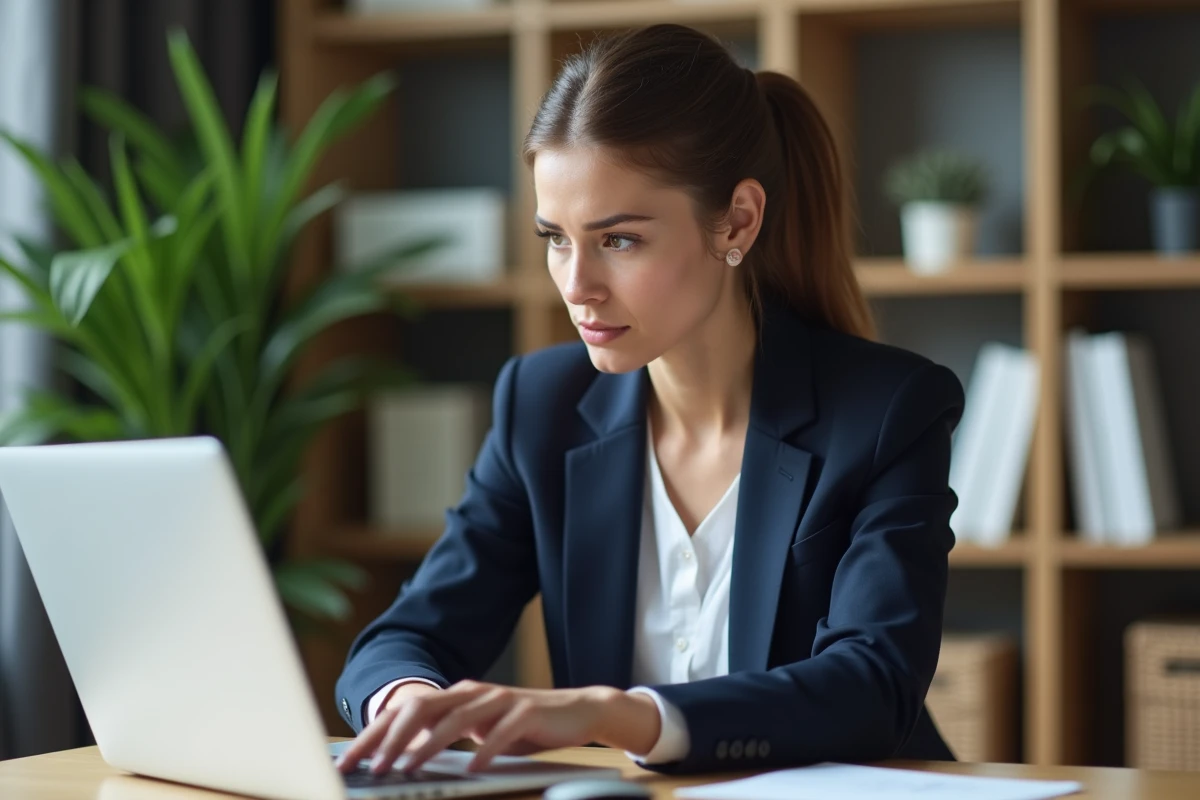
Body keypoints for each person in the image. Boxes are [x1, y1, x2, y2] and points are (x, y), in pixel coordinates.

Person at [334, 22, 964, 778]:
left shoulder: (890, 409)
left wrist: (612, 712)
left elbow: (872, 686)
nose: (575, 285)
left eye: (619, 240)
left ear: (737, 220)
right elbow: (410, 635)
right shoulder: (542, 406)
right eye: (555, 238)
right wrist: (407, 702)